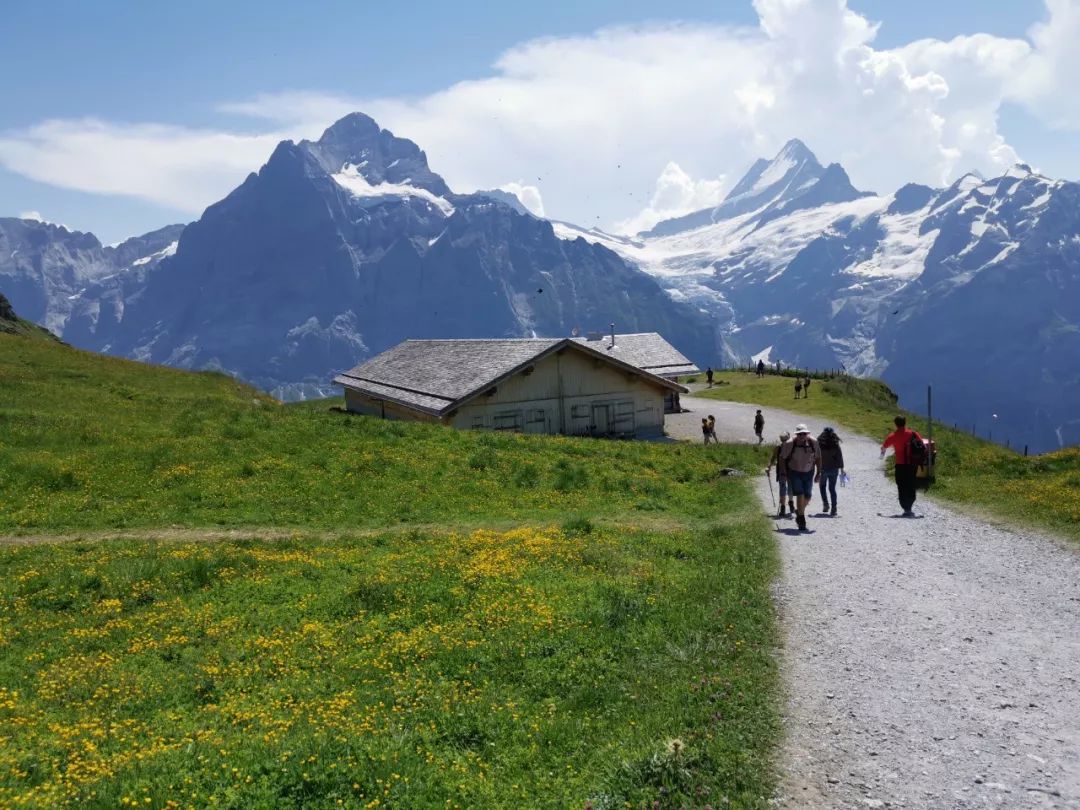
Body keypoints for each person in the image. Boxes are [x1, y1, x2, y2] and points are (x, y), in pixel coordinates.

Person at [779, 424, 821, 531]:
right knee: (800, 494)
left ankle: (799, 511)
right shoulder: (789, 443)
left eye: (804, 434)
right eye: (800, 434)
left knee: (808, 495)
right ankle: (801, 519)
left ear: (808, 434)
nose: (802, 436)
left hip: (809, 472)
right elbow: (782, 458)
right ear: (796, 434)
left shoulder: (813, 442)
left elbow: (818, 458)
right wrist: (783, 472)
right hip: (794, 472)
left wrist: (818, 473)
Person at [880, 415, 924, 516]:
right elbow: (921, 444)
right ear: (905, 422)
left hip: (900, 465)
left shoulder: (893, 436)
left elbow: (884, 446)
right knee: (911, 483)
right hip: (912, 464)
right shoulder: (913, 433)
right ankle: (910, 505)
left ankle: (905, 507)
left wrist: (882, 453)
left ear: (895, 424)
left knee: (901, 485)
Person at [817, 427, 844, 516]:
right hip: (834, 470)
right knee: (832, 489)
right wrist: (842, 469)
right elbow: (840, 457)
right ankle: (834, 508)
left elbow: (816, 457)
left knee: (822, 487)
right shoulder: (836, 445)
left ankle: (826, 504)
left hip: (823, 469)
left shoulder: (820, 444)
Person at [767, 431, 794, 517]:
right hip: (783, 470)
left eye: (784, 439)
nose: (783, 441)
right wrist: (769, 466)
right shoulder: (779, 448)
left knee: (788, 489)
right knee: (785, 488)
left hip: (789, 470)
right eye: (782, 440)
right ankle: (784, 507)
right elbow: (773, 457)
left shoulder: (791, 447)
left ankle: (789, 503)